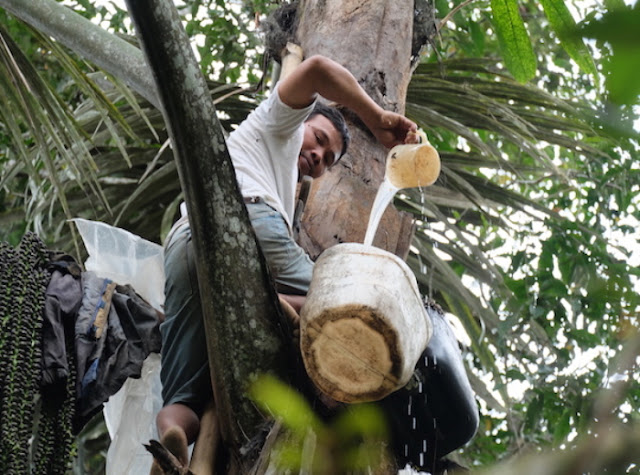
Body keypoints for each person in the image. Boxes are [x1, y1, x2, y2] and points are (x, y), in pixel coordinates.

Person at [153, 55, 418, 470]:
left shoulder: (278, 174)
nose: (320, 155)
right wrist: (377, 116)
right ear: (301, 121)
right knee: (346, 308)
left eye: (329, 158)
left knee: (182, 396)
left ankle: (174, 438)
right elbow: (316, 69)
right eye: (319, 139)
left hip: (183, 246)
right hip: (248, 222)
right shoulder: (277, 124)